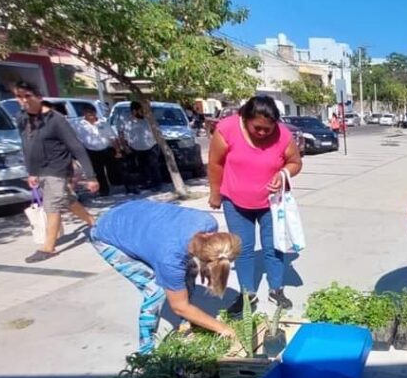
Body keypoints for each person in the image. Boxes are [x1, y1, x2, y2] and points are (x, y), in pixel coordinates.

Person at [90, 200, 241, 353]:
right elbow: (178, 307)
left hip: (133, 214)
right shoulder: (170, 260)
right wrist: (223, 329)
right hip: (107, 234)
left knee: (191, 269)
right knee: (155, 291)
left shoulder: (208, 223)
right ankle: (145, 353)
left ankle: (185, 326)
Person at [208, 95, 303, 312]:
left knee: (274, 246)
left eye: (267, 129)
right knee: (243, 249)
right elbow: (215, 163)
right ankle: (247, 294)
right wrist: (215, 192)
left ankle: (276, 289)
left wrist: (283, 173)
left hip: (272, 203)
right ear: (244, 117)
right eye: (257, 127)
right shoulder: (227, 129)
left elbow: (295, 162)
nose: (262, 133)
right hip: (235, 201)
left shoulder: (283, 135)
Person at [13, 81, 99, 264]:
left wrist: (91, 176)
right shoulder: (22, 119)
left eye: (27, 96)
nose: (23, 101)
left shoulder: (56, 120)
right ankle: (92, 221)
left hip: (57, 169)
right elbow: (27, 146)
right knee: (67, 200)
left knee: (52, 205)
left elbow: (77, 147)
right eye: (19, 97)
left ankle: (48, 247)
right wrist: (32, 172)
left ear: (39, 97)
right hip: (40, 170)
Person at [74, 105, 119, 197]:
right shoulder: (79, 125)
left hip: (106, 149)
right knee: (99, 172)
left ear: (95, 113)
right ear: (84, 114)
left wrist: (117, 150)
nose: (91, 115)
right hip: (91, 151)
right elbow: (75, 139)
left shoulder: (103, 123)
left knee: (113, 169)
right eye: (88, 113)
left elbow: (112, 137)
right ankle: (104, 190)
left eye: (92, 113)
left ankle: (116, 184)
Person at [121, 101, 163, 193]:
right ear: (134, 111)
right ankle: (146, 183)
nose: (143, 112)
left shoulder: (149, 119)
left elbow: (158, 132)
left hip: (151, 147)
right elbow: (121, 134)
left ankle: (157, 184)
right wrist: (125, 147)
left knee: (154, 167)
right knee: (142, 168)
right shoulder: (126, 120)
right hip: (136, 149)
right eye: (141, 110)